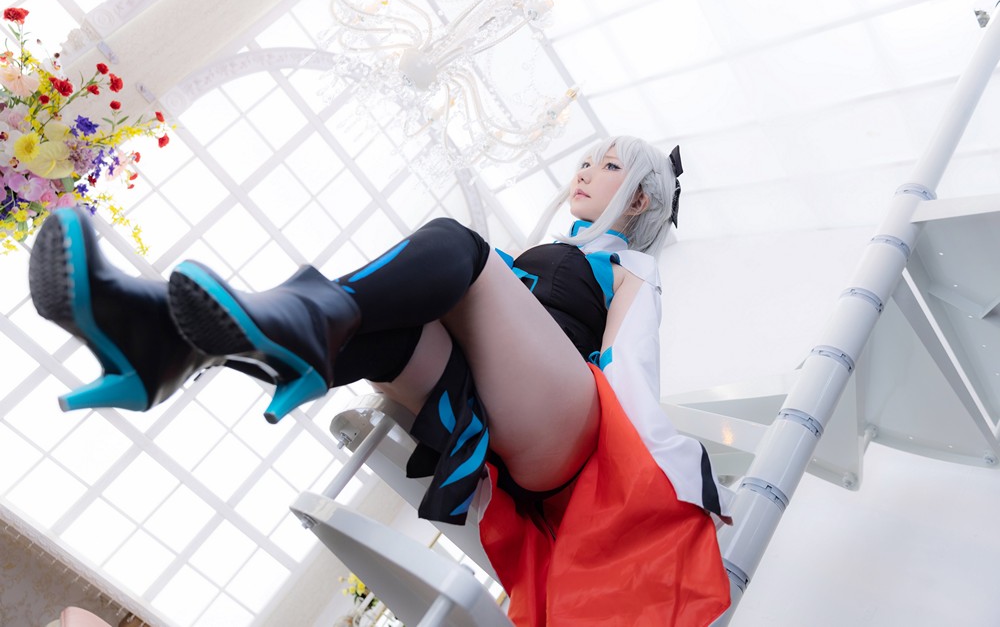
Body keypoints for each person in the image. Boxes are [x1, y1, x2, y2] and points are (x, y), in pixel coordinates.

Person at [29, 135, 732, 626]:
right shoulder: (536, 257)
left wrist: (663, 481)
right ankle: (171, 343)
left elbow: (629, 364)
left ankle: (194, 338)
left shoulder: (632, 268)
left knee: (457, 243)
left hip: (570, 427)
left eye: (608, 166)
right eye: (584, 160)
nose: (584, 172)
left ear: (639, 201)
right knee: (392, 335)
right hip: (495, 409)